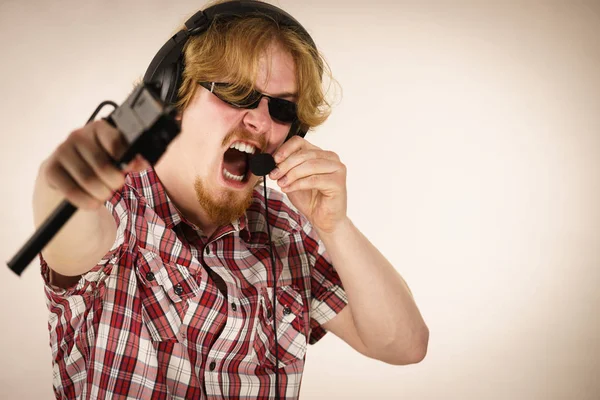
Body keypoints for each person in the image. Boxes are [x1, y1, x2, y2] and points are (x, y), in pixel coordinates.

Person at [33, 0, 429, 398]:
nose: (260, 122)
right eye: (236, 93)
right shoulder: (117, 204)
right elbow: (71, 231)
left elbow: (404, 345)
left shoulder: (285, 229)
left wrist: (334, 226)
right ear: (173, 99)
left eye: (281, 108)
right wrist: (65, 180)